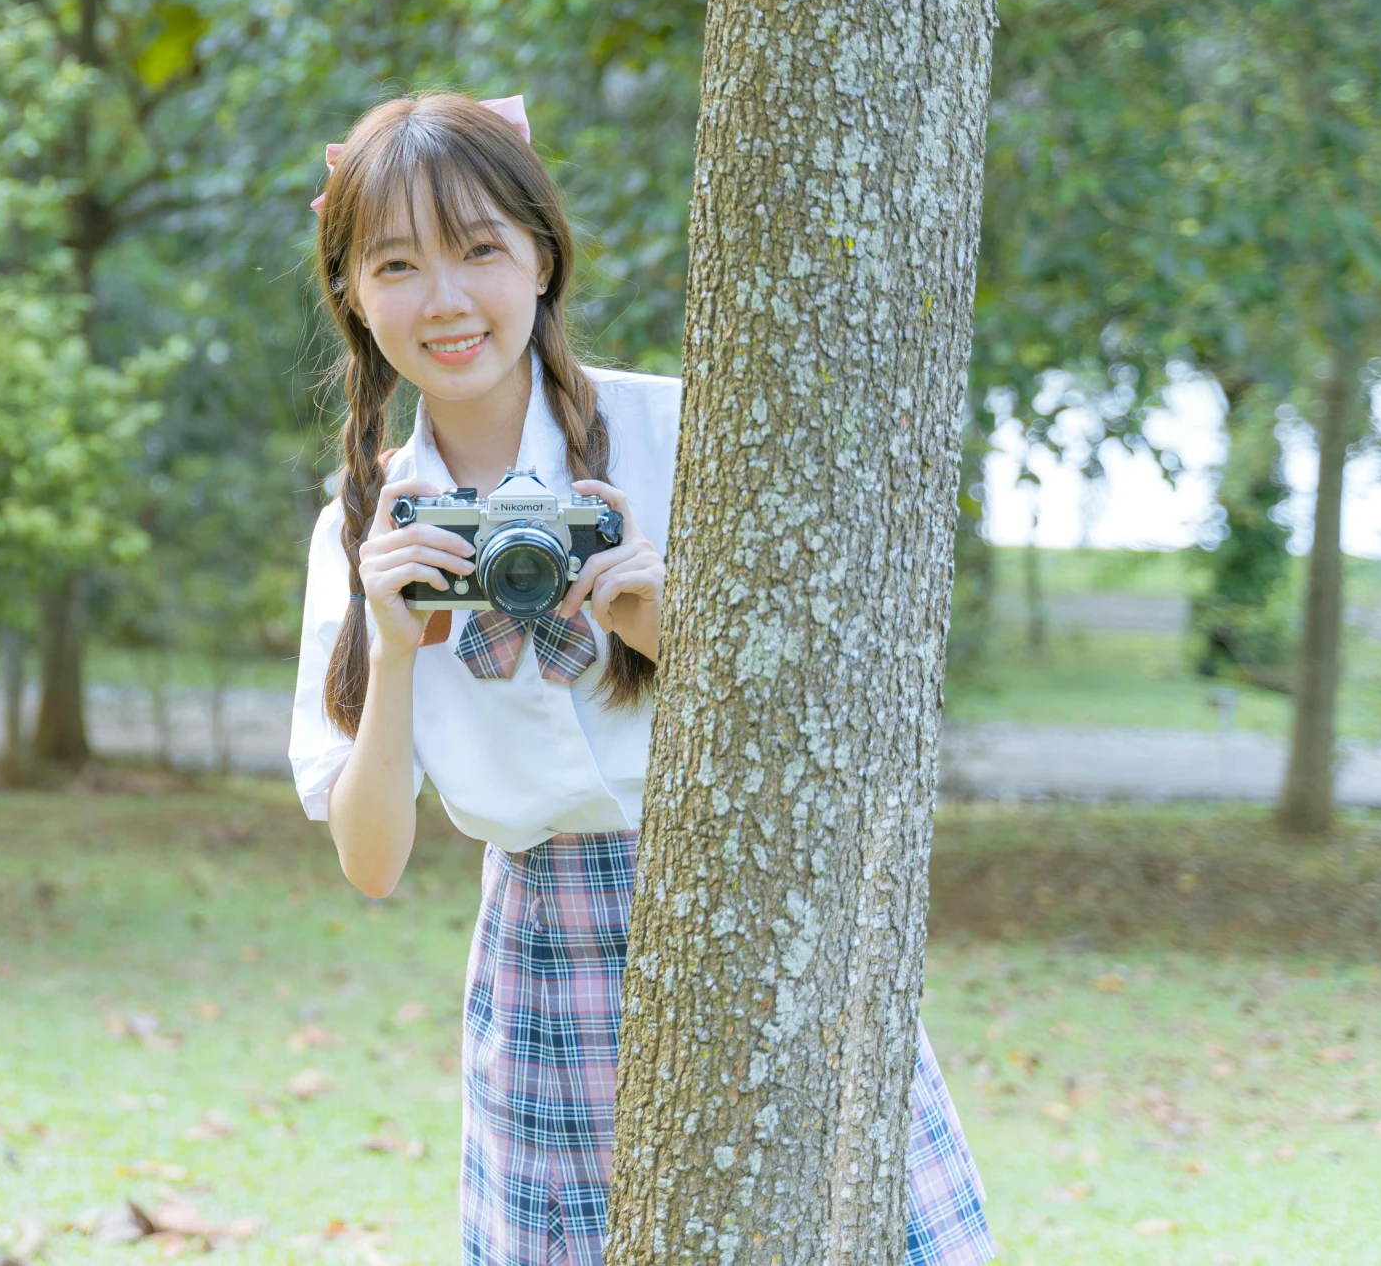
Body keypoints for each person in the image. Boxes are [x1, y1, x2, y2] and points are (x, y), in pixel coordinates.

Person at [288, 92, 995, 1266]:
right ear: (353, 294)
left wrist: (671, 628)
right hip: (542, 960)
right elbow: (371, 862)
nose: (446, 299)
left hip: (745, 906)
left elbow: (829, 722)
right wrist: (392, 641)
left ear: (542, 257)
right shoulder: (363, 523)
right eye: (397, 264)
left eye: (479, 251)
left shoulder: (680, 433)